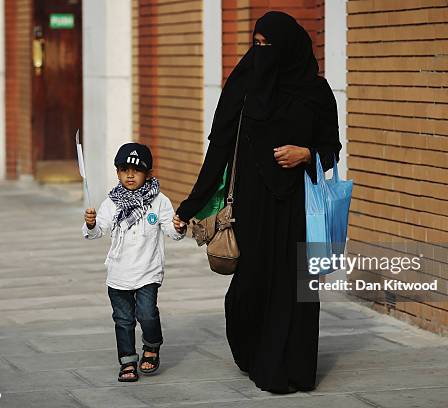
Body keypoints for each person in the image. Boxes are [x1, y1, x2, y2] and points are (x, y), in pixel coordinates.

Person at [173, 12, 342, 393]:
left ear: (290, 48)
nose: (261, 53)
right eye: (257, 44)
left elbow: (332, 149)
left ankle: (294, 369)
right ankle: (253, 354)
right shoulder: (244, 86)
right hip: (252, 206)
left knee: (297, 288)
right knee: (249, 287)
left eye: (269, 46)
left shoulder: (316, 92)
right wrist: (190, 206)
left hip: (300, 205)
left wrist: (306, 154)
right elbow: (218, 152)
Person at [83, 142, 187, 382]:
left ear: (148, 174)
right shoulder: (112, 202)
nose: (130, 175)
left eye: (137, 170)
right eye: (124, 170)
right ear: (117, 173)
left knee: (147, 314)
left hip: (148, 272)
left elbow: (172, 231)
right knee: (123, 320)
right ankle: (127, 361)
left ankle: (151, 346)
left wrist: (178, 226)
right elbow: (99, 229)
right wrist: (91, 224)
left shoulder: (159, 201)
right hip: (118, 274)